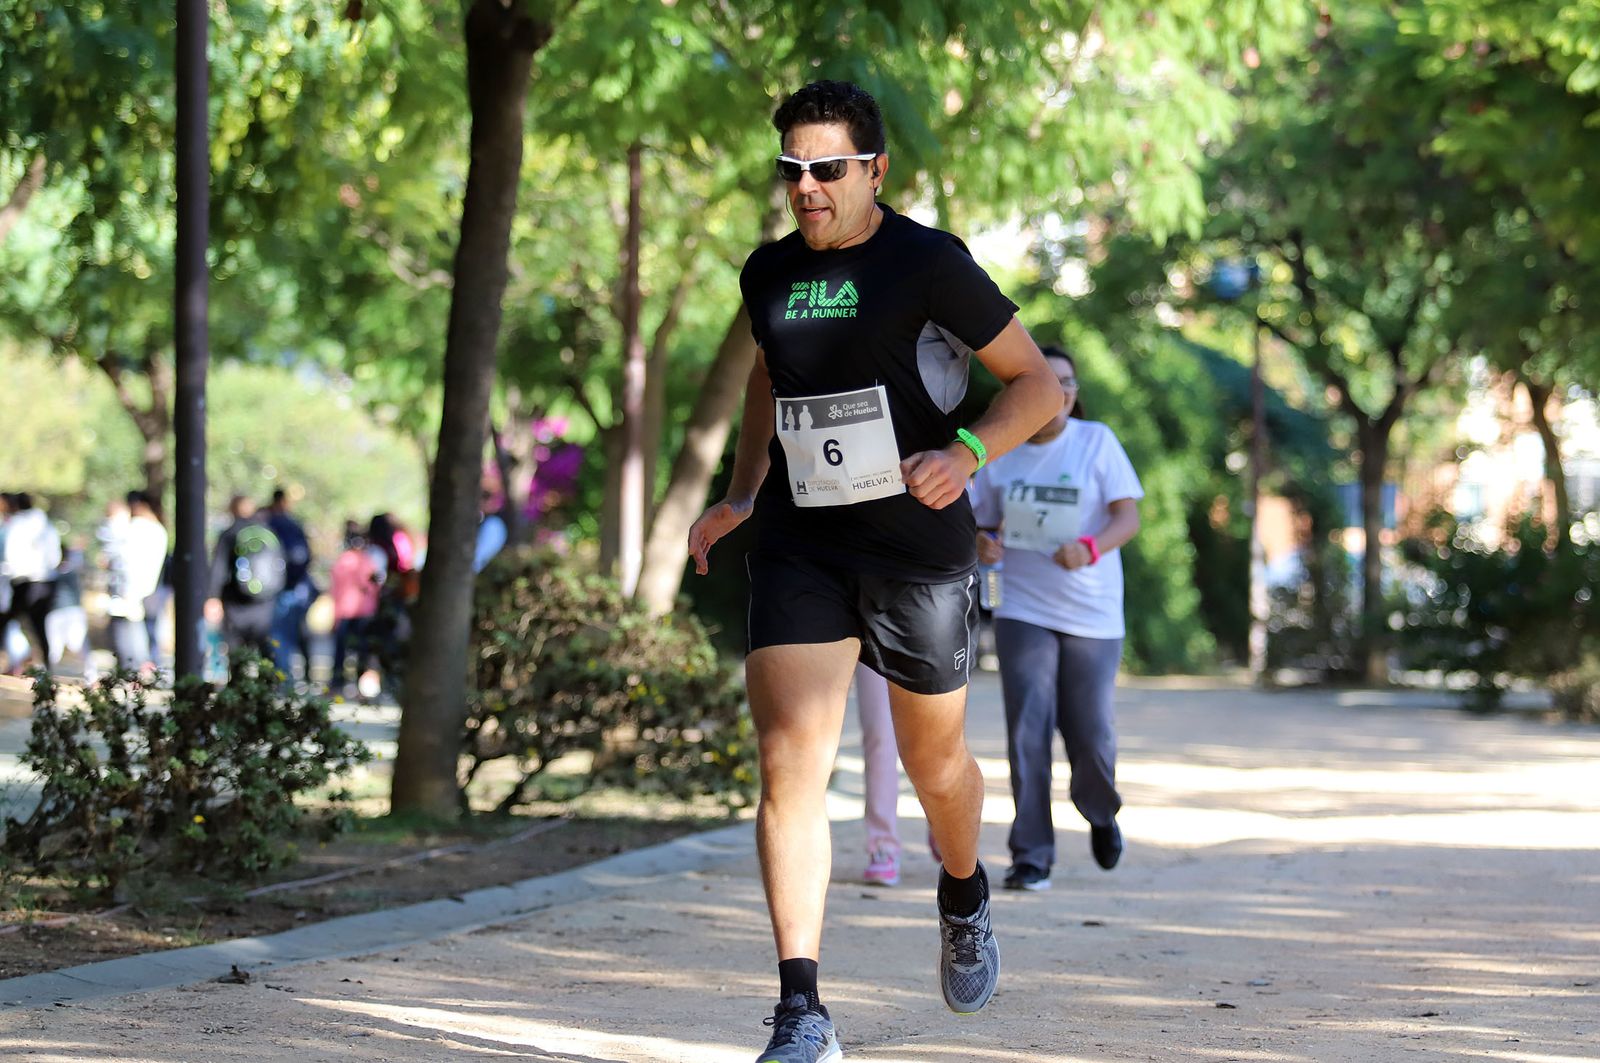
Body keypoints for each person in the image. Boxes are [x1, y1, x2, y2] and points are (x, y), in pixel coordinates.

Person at [686, 80, 1062, 1062]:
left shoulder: (926, 262)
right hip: (802, 539)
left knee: (935, 765)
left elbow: (1035, 388)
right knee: (788, 766)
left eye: (827, 169)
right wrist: (741, 491)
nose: (807, 188)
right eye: (792, 171)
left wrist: (969, 454)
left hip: (915, 543)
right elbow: (769, 374)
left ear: (874, 169)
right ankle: (800, 1008)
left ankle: (962, 887)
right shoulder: (766, 273)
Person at [969, 346, 1143, 892]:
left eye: (1068, 383)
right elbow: (978, 522)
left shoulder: (1097, 442)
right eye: (1049, 382)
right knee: (1028, 729)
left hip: (1092, 613)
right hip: (1023, 607)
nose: (1060, 393)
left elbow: (1128, 516)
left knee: (1090, 733)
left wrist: (1090, 549)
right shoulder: (1002, 451)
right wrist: (983, 542)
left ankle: (1099, 809)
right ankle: (1032, 855)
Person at [206, 495, 284, 665]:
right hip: (265, 602)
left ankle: (239, 688)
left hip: (235, 602)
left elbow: (218, 568)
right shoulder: (267, 531)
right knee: (264, 648)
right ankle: (267, 685)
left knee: (235, 650)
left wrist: (213, 597)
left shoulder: (230, 533)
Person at [854, 664, 904, 886]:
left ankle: (941, 822)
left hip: (926, 630)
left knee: (931, 741)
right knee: (879, 734)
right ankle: (882, 844)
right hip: (866, 634)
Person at [1, 492, 62, 671]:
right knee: (39, 626)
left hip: (23, 581)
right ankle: (46, 665)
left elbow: (10, 553)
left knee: (6, 621)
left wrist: (13, 570)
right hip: (46, 581)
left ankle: (23, 662)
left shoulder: (17, 524)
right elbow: (54, 556)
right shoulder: (46, 524)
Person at [265, 487, 315, 683]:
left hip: (281, 590)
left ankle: (282, 678)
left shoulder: (272, 524)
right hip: (289, 589)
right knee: (287, 635)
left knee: (281, 636)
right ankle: (285, 678)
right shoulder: (288, 525)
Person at [328, 524, 381, 693]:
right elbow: (375, 586)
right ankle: (360, 683)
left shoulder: (343, 561)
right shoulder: (368, 561)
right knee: (362, 649)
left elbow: (335, 590)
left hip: (345, 611)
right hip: (365, 612)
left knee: (341, 649)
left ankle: (337, 682)